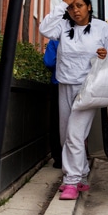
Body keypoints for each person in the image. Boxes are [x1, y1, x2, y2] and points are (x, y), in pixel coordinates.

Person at [39, 0, 108, 200]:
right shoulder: (63, 26)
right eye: (71, 7)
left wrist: (106, 55)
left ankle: (71, 181)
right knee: (66, 134)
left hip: (90, 87)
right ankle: (82, 174)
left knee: (75, 135)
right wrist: (62, 4)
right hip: (65, 85)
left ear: (89, 7)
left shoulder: (101, 28)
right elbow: (44, 28)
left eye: (79, 5)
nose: (75, 10)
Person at [43, 39, 63, 169]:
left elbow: (49, 62)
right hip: (80, 85)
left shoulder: (56, 40)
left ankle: (59, 158)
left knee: (57, 121)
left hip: (58, 83)